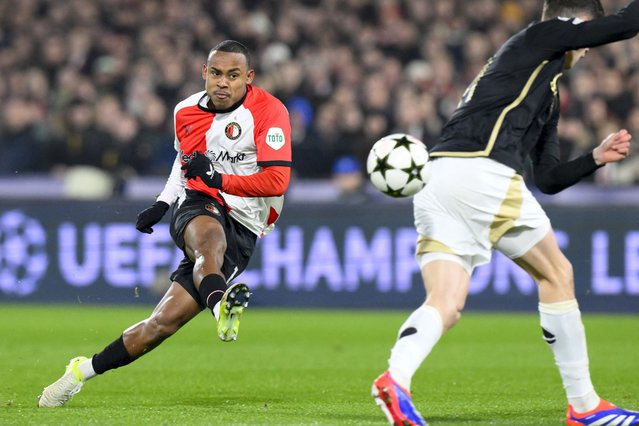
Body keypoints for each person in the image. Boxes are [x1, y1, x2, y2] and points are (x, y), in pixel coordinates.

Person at [371, 1, 639, 425]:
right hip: (481, 172)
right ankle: (586, 407)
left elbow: (548, 178)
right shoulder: (541, 36)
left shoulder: (540, 81)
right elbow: (626, 25)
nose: (588, 50)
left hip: (437, 180)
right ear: (576, 22)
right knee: (557, 275)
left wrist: (594, 158)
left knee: (446, 303)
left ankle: (395, 379)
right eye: (588, 38)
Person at [38, 40, 292, 408]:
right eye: (216, 73)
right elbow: (183, 162)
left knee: (160, 325)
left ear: (248, 78)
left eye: (233, 76)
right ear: (204, 73)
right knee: (209, 244)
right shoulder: (186, 110)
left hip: (247, 222)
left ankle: (81, 371)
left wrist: (219, 178)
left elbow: (276, 182)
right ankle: (222, 307)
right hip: (200, 203)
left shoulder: (269, 112)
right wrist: (162, 202)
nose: (223, 83)